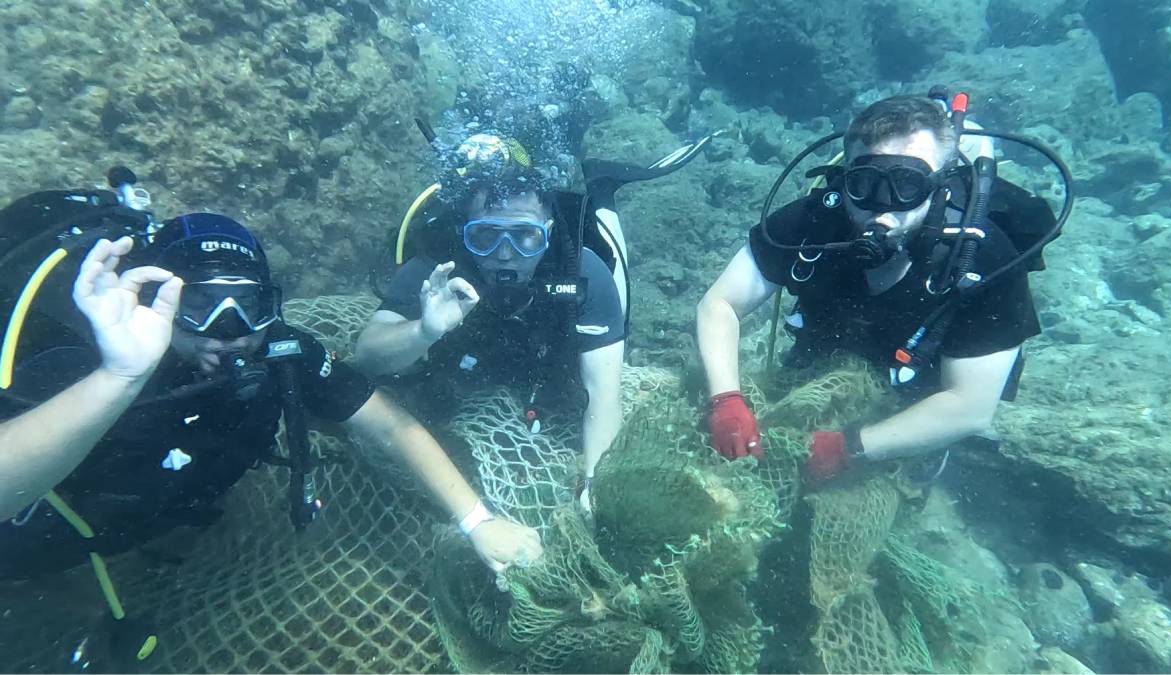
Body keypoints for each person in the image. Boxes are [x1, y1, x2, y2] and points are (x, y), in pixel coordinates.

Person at [0, 211, 541, 582]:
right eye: (200, 305)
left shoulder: (281, 352)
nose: (229, 328)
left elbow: (390, 426)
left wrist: (477, 520)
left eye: (249, 306)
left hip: (162, 522)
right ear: (153, 300)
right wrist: (120, 376)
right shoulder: (90, 361)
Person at [697, 94, 1061, 481]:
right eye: (866, 184)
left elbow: (969, 406)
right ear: (846, 179)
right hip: (818, 363)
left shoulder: (984, 258)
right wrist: (726, 400)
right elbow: (720, 303)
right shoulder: (814, 221)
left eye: (907, 185)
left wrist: (850, 448)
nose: (883, 208)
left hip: (918, 399)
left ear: (939, 186)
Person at [356, 129, 711, 506]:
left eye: (525, 236)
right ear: (463, 233)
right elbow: (366, 357)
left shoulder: (583, 270)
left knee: (618, 302)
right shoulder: (439, 266)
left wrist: (594, 485)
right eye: (485, 235)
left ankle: (602, 190)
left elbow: (603, 395)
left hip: (556, 338)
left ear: (549, 232)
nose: (504, 254)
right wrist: (422, 332)